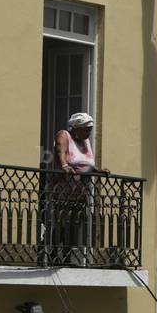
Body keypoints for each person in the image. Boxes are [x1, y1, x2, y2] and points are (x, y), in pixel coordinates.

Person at [44, 113, 108, 265]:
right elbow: (61, 153)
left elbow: (86, 164)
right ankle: (53, 255)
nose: (88, 133)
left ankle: (66, 257)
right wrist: (64, 165)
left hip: (80, 194)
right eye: (86, 129)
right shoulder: (64, 135)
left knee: (73, 226)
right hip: (63, 191)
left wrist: (97, 170)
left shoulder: (85, 142)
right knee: (60, 224)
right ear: (76, 128)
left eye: (90, 129)